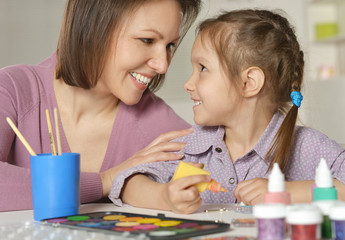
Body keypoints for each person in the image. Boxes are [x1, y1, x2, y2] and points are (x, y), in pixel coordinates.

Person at [108, 9, 345, 214]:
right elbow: (129, 184)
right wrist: (165, 196)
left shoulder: (306, 146)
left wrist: (286, 192)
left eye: (202, 68)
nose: (188, 83)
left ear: (249, 82)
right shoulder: (191, 148)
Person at [0, 0, 202, 211]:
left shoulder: (162, 129)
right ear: (93, 28)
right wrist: (105, 181)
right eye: (147, 40)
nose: (162, 65)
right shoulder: (12, 91)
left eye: (170, 45)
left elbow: (218, 186)